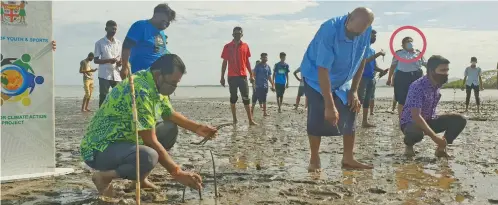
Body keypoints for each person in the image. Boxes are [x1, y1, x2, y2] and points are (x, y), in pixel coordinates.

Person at [80, 54, 218, 196]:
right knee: (148, 156)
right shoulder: (140, 90)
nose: (173, 87)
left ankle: (139, 180)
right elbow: (150, 141)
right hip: (100, 149)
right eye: (172, 83)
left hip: (125, 141)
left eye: (176, 84)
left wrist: (197, 128)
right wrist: (177, 172)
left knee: (169, 129)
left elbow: (169, 113)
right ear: (159, 74)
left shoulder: (153, 83)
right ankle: (103, 177)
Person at [300, 7, 375, 171]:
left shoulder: (365, 31)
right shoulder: (329, 30)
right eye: (352, 32)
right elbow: (322, 69)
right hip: (316, 77)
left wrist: (354, 90)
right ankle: (314, 158)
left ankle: (348, 158)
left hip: (343, 78)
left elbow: (362, 60)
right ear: (348, 18)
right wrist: (329, 104)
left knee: (352, 108)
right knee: (318, 115)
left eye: (358, 33)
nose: (354, 36)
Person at [400, 55, 467, 157]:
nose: (446, 73)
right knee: (415, 133)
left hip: (430, 119)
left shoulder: (437, 84)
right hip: (411, 122)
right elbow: (416, 116)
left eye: (447, 70)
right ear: (431, 71)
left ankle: (441, 149)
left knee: (459, 120)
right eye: (442, 70)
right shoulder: (417, 86)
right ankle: (409, 146)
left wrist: (440, 139)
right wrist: (435, 137)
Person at [121, 3, 175, 78]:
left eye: (168, 24)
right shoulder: (141, 26)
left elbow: (161, 52)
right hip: (139, 76)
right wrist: (124, 68)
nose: (166, 26)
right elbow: (126, 46)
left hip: (158, 78)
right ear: (156, 15)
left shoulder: (162, 34)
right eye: (164, 22)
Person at [220, 26, 256, 125]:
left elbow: (247, 61)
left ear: (242, 35)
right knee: (233, 98)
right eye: (235, 33)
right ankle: (235, 119)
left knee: (246, 98)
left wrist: (251, 75)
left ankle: (250, 120)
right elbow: (224, 62)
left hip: (242, 76)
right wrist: (222, 77)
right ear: (232, 34)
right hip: (232, 76)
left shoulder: (245, 46)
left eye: (239, 33)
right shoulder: (227, 46)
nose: (237, 35)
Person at [386, 37, 426, 119]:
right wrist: (389, 78)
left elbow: (426, 63)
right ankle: (402, 119)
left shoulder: (418, 53)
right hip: (402, 77)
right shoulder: (398, 53)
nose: (410, 43)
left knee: (417, 98)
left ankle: (416, 118)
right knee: (402, 99)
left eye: (411, 41)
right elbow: (393, 66)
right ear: (403, 45)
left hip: (416, 76)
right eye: (407, 42)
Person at [357, 29, 387, 127]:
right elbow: (364, 62)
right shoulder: (361, 48)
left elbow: (373, 66)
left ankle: (364, 122)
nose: (374, 38)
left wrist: (381, 70)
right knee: (359, 99)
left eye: (375, 36)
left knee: (367, 99)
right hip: (362, 78)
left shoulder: (372, 50)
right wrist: (378, 54)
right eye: (372, 36)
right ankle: (352, 121)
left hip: (371, 78)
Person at [94, 20, 122, 107]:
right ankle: (100, 117)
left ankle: (115, 115)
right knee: (103, 96)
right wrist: (109, 60)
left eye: (115, 29)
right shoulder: (99, 43)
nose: (114, 31)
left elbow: (120, 57)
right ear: (106, 29)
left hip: (116, 73)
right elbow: (96, 60)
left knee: (119, 95)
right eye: (112, 29)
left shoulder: (118, 43)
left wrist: (120, 62)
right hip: (104, 74)